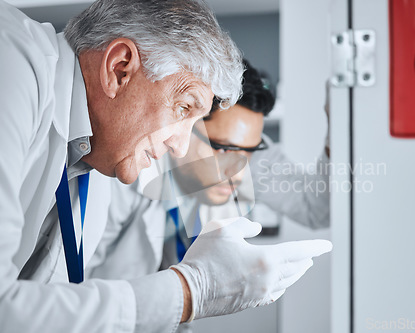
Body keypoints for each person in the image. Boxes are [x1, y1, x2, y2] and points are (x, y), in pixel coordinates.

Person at [0, 1, 332, 332]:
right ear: (119, 69)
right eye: (184, 109)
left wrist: (344, 120)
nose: (182, 145)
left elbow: (47, 306)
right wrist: (191, 292)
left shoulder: (98, 148)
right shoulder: (13, 62)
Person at [87, 60, 331, 332]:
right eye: (223, 149)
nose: (238, 172)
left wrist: (338, 127)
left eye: (249, 152)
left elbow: (316, 208)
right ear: (185, 119)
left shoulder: (246, 152)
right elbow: (72, 288)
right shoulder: (123, 173)